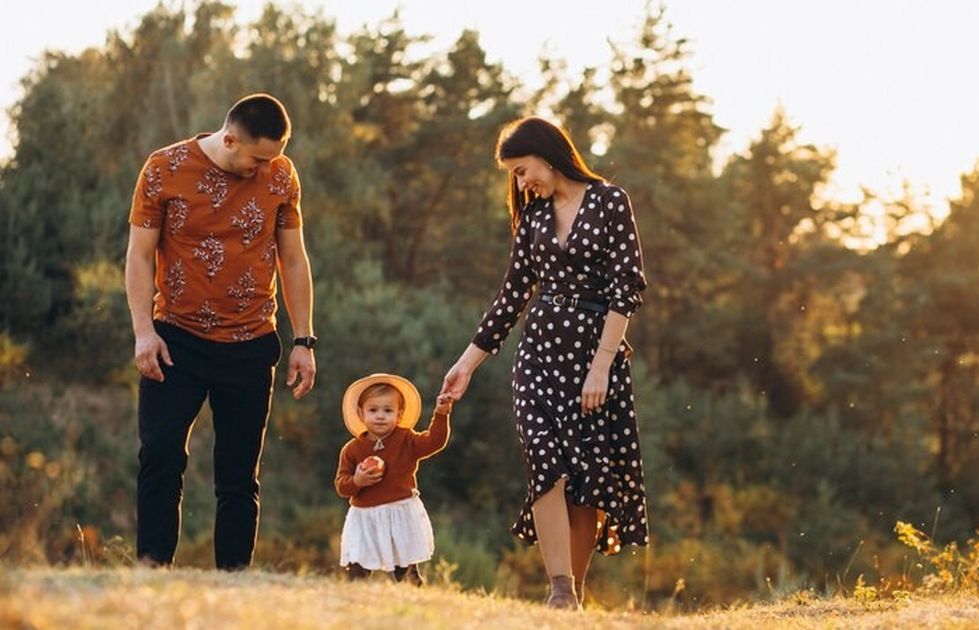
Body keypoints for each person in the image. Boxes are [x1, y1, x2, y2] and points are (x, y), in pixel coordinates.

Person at [440, 116, 649, 609]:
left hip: (595, 353)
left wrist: (602, 365)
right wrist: (467, 363)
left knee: (586, 475)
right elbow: (512, 295)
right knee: (544, 460)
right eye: (513, 174)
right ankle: (559, 589)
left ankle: (571, 597)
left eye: (521, 168)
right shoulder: (533, 218)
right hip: (539, 353)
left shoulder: (610, 202)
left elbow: (628, 287)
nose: (520, 181)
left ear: (549, 154)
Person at [124, 93, 317, 570]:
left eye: (272, 158)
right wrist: (143, 332)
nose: (264, 167)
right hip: (175, 340)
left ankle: (233, 580)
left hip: (251, 343)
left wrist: (304, 340)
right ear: (230, 139)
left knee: (238, 476)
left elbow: (293, 259)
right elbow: (139, 255)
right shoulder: (164, 168)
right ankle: (151, 572)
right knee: (160, 456)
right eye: (257, 157)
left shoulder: (281, 175)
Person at [334, 374, 452, 584]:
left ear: (399, 414)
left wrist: (441, 414)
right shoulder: (352, 450)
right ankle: (354, 595)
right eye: (373, 410)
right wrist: (357, 481)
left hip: (400, 512)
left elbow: (434, 442)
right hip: (365, 517)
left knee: (405, 566)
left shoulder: (406, 440)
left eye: (388, 410)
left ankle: (412, 589)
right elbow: (342, 486)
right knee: (358, 564)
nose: (380, 416)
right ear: (361, 413)